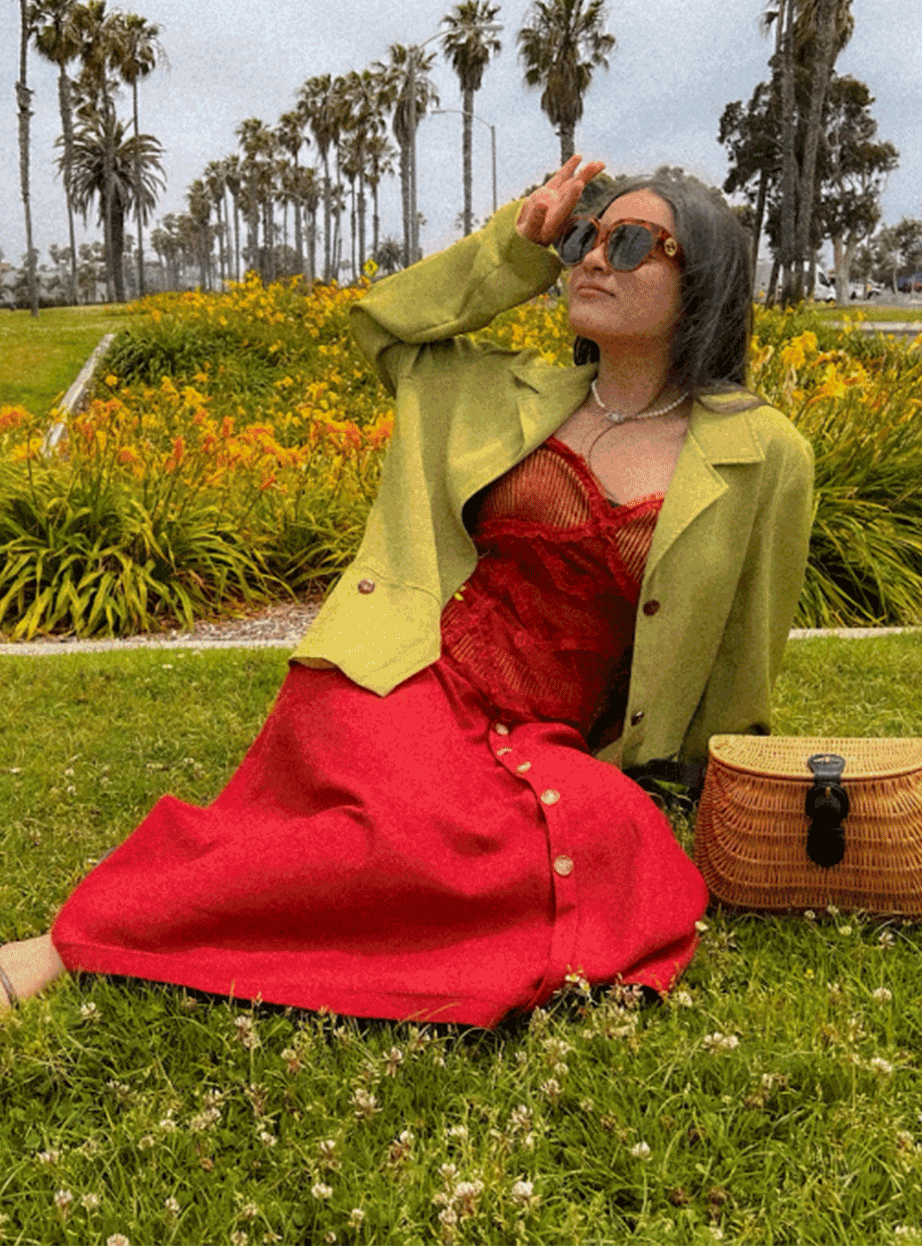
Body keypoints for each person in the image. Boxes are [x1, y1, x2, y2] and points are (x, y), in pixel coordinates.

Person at [0, 157, 814, 1027]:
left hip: (543, 739)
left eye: (629, 242)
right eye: (585, 237)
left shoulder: (763, 452)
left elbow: (743, 646)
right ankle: (69, 943)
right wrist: (521, 245)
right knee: (398, 840)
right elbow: (386, 325)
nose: (592, 260)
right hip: (406, 673)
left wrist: (719, 786)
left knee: (614, 832)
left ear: (708, 281)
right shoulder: (499, 391)